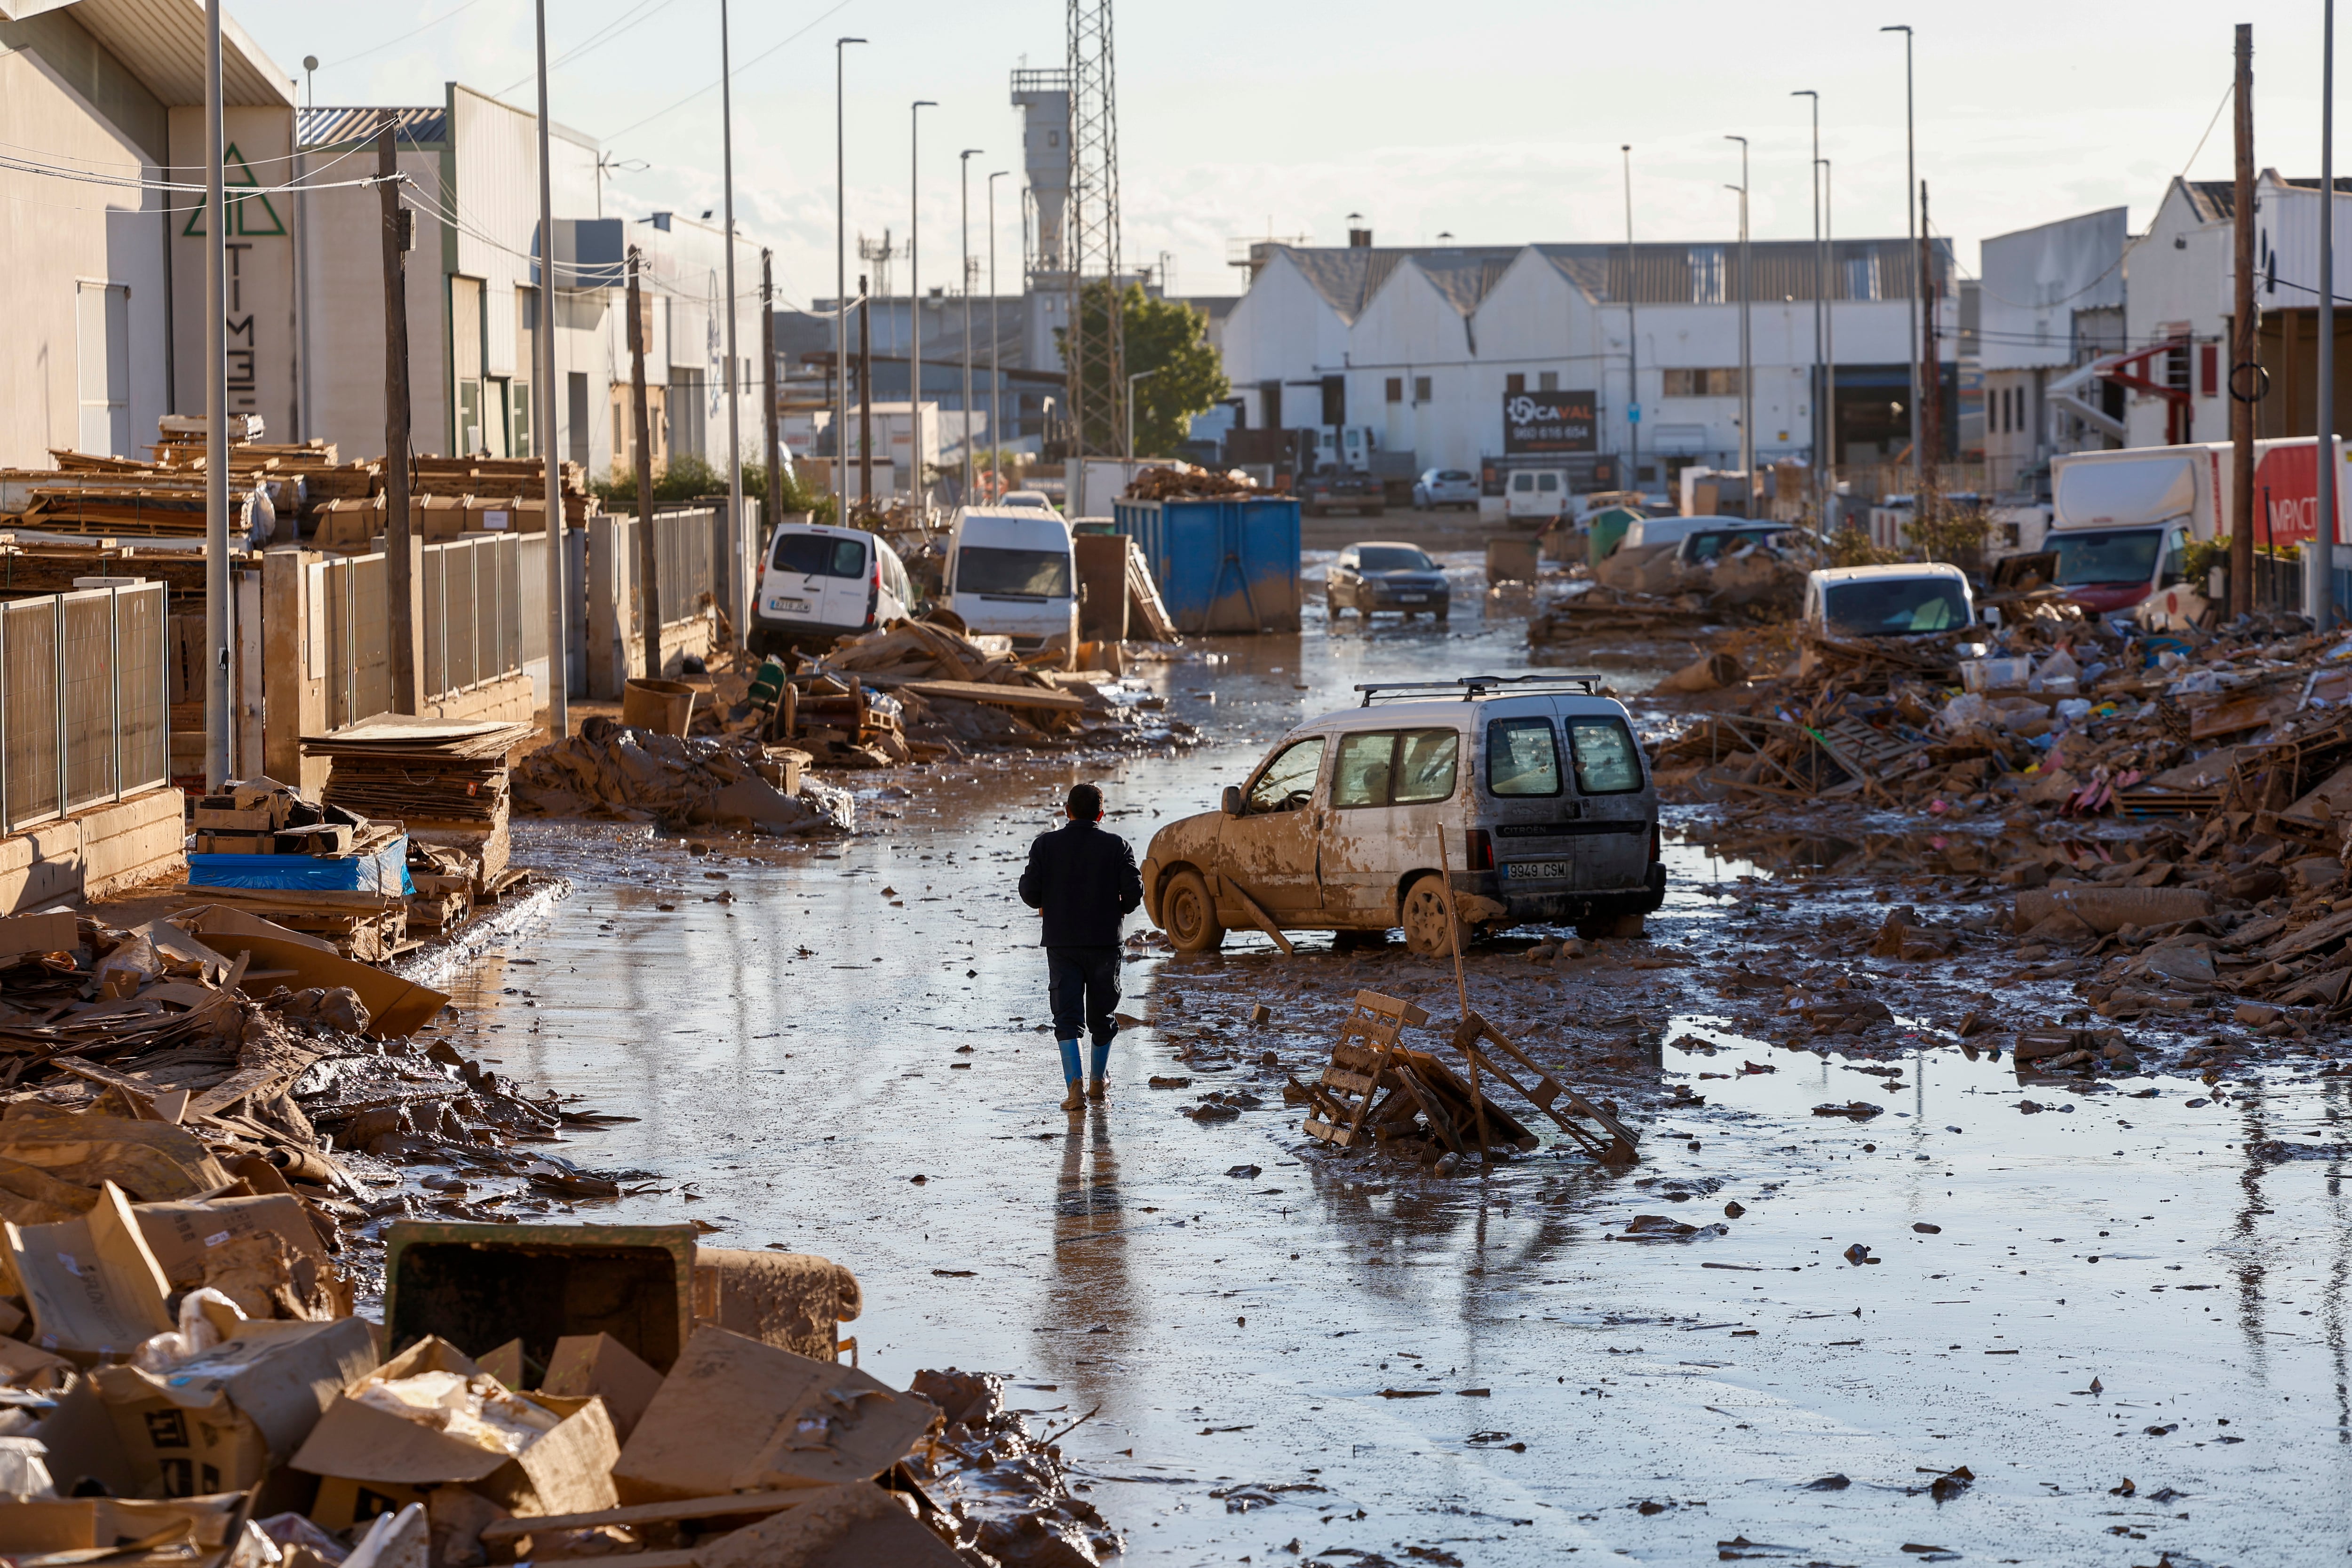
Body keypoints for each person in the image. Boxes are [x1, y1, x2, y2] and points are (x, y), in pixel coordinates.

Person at [1017, 782, 1144, 1111]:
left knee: (1067, 1016)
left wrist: (1050, 900)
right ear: (1101, 814)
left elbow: (1030, 893)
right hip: (1105, 942)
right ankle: (1099, 1084)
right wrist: (1119, 908)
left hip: (1062, 943)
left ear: (1066, 811)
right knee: (1103, 1014)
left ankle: (1075, 1091)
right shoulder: (1118, 846)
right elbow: (1134, 893)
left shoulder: (1045, 845)